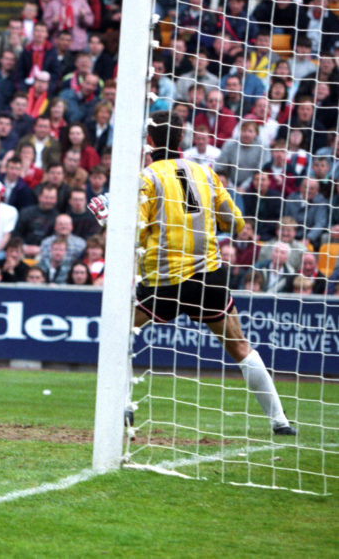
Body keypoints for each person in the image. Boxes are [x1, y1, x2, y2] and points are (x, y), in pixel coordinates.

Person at [89, 110, 297, 435]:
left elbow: (136, 229)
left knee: (119, 334)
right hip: (207, 277)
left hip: (164, 279)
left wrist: (109, 218)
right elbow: (236, 222)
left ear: (149, 140)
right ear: (182, 139)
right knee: (240, 346)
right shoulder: (205, 172)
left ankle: (124, 405)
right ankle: (280, 421)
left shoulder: (147, 177)